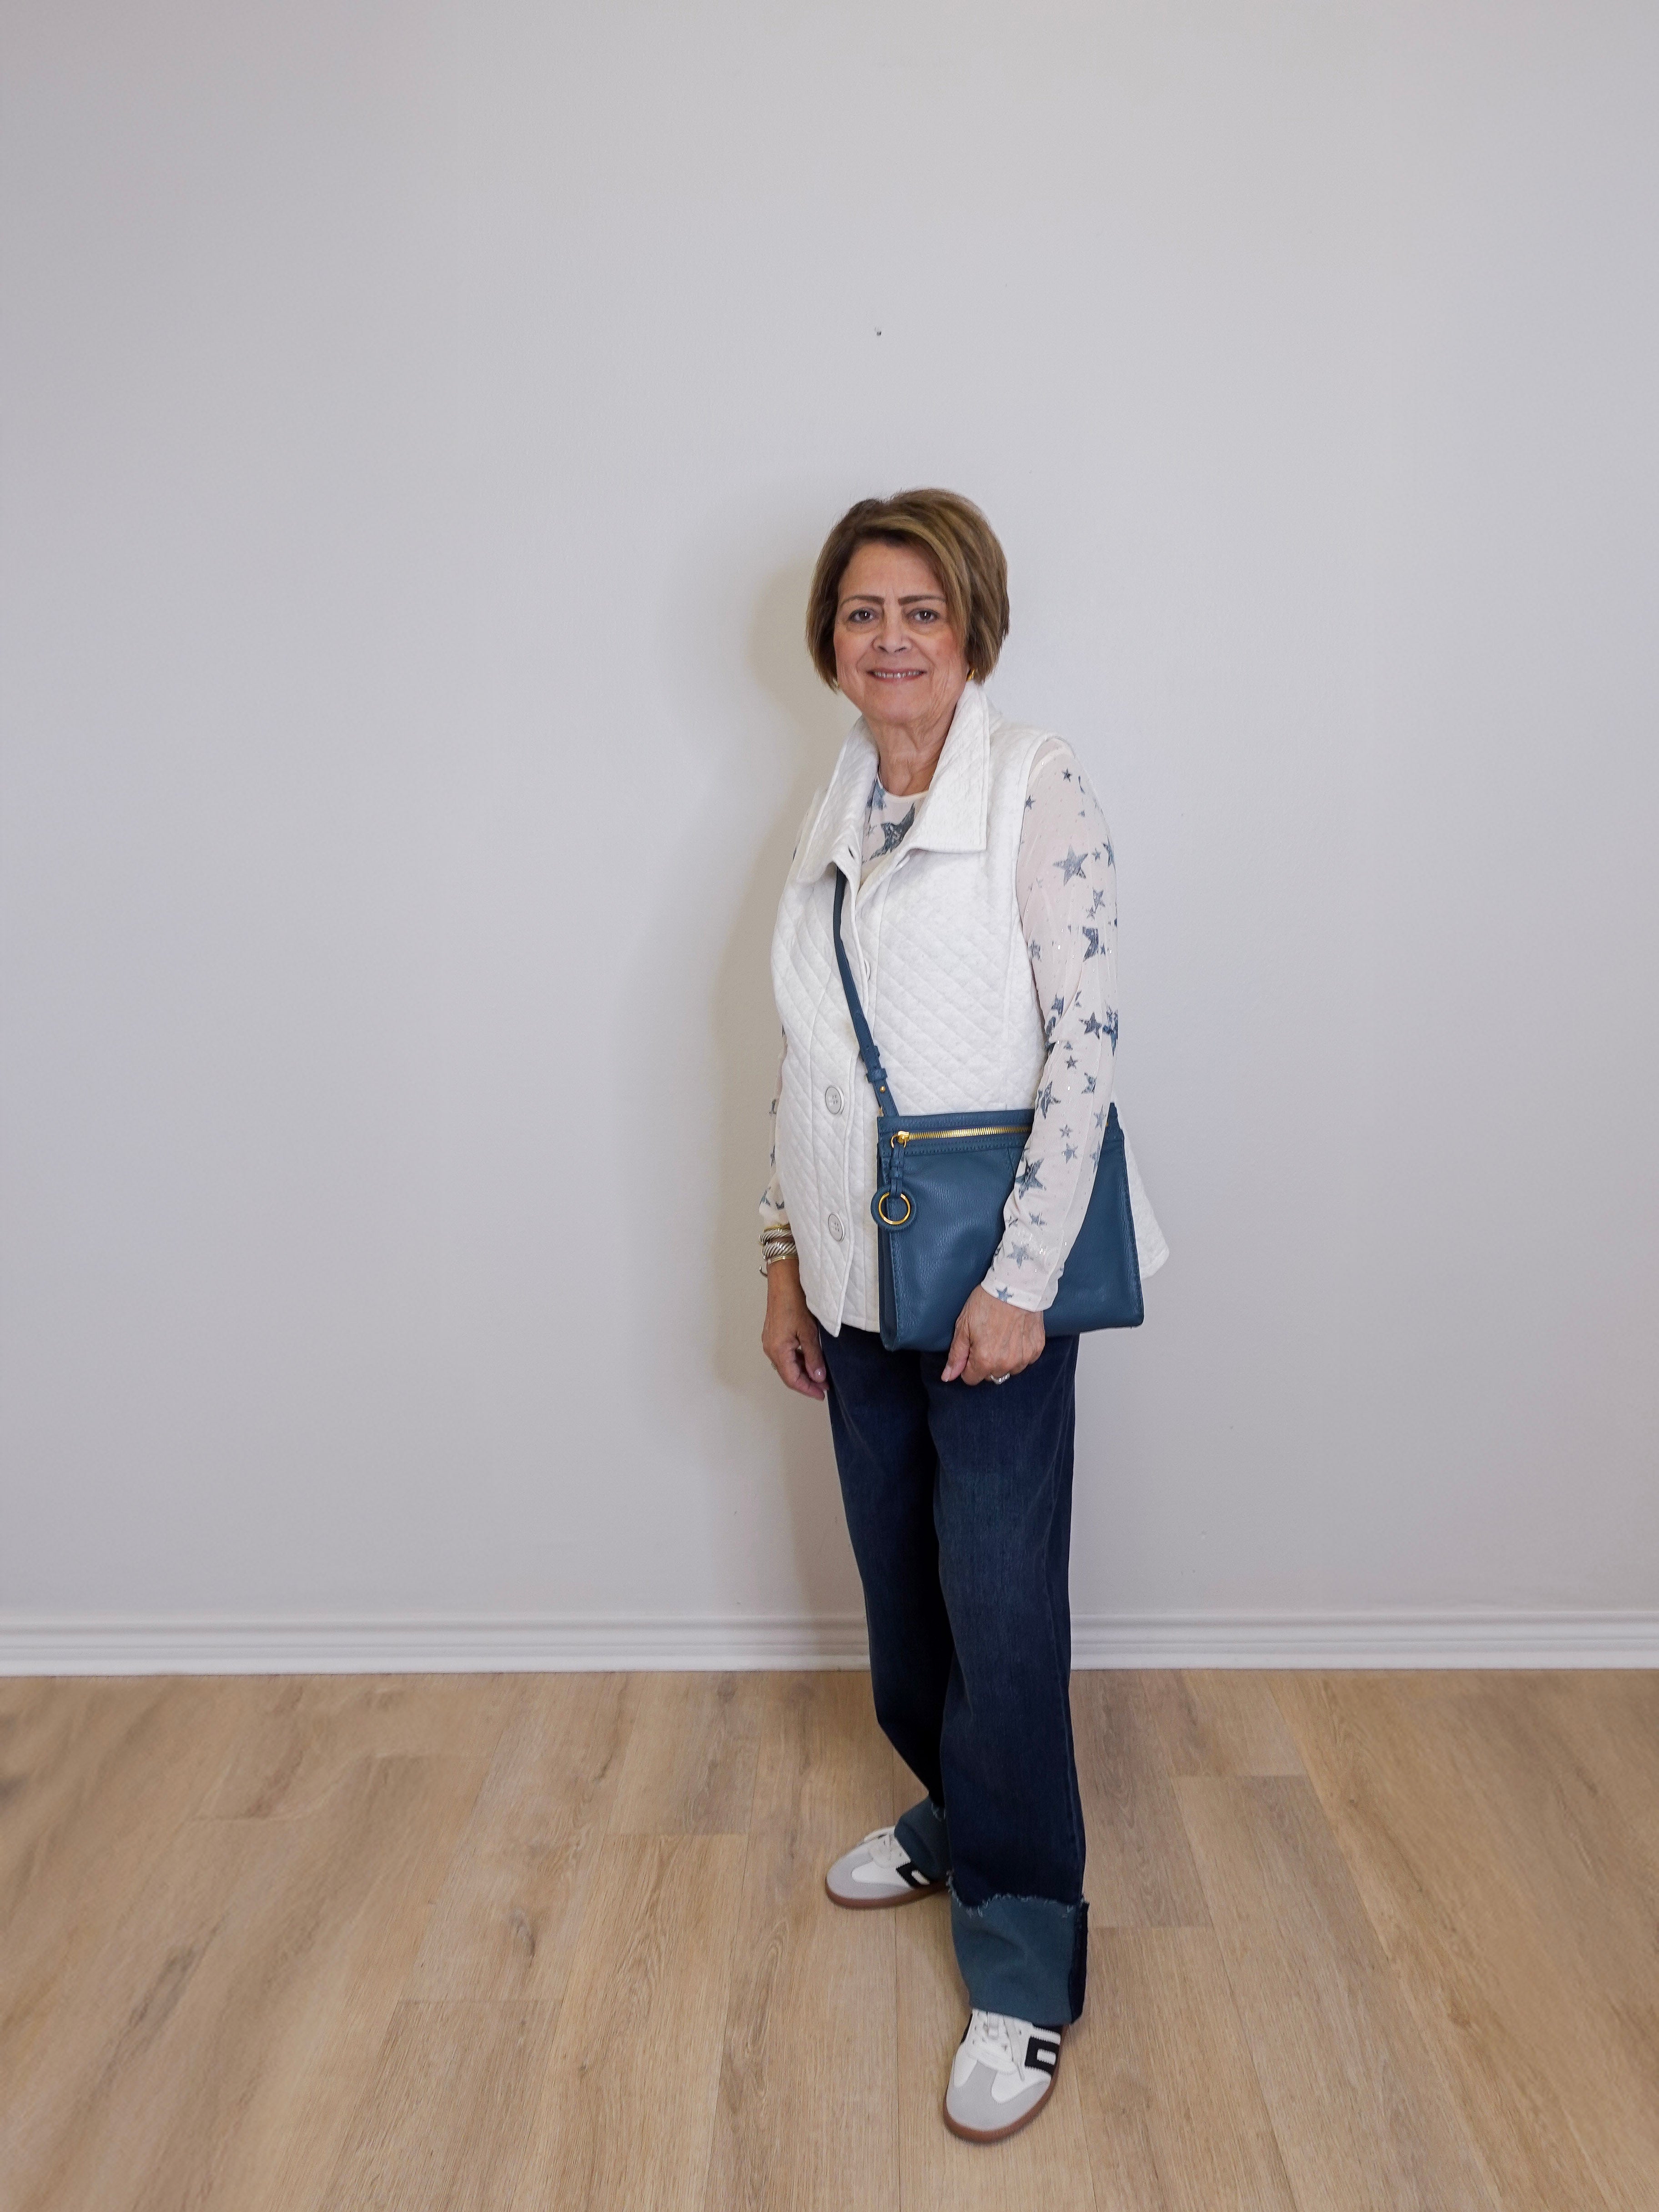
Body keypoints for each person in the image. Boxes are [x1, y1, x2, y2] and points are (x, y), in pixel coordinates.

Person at [759, 489, 1166, 2142]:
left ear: (972, 629)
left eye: (921, 611)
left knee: (1000, 1612)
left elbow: (1087, 1046)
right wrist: (778, 1248)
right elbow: (806, 1055)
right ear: (831, 645)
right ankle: (949, 1813)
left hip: (990, 1270)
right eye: (864, 613)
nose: (892, 640)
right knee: (901, 1586)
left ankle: (1020, 1957)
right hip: (857, 1272)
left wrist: (1018, 1281)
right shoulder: (834, 797)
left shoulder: (1037, 787)